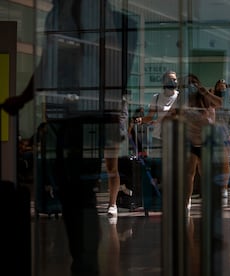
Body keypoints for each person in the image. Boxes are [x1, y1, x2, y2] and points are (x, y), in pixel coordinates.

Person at [1, 1, 137, 274]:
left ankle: (85, 264)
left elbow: (104, 55)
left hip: (85, 115)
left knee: (80, 191)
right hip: (64, 115)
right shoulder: (58, 13)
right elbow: (48, 62)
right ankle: (82, 261)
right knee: (70, 191)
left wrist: (109, 110)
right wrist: (25, 99)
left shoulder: (86, 8)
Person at [177, 74, 222, 212]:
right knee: (189, 173)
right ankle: (186, 202)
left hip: (206, 141)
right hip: (190, 140)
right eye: (189, 83)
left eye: (194, 83)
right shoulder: (184, 99)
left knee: (205, 173)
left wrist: (204, 91)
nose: (191, 86)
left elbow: (219, 103)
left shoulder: (205, 97)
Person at [137, 70, 180, 156]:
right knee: (158, 162)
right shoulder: (156, 97)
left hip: (175, 136)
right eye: (170, 79)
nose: (173, 81)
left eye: (174, 79)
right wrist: (140, 120)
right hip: (158, 136)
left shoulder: (180, 97)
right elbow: (150, 116)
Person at [212, 79, 230, 198]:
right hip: (212, 138)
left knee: (224, 163)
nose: (221, 89)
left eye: (224, 87)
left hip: (225, 138)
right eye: (219, 87)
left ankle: (224, 189)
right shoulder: (211, 104)